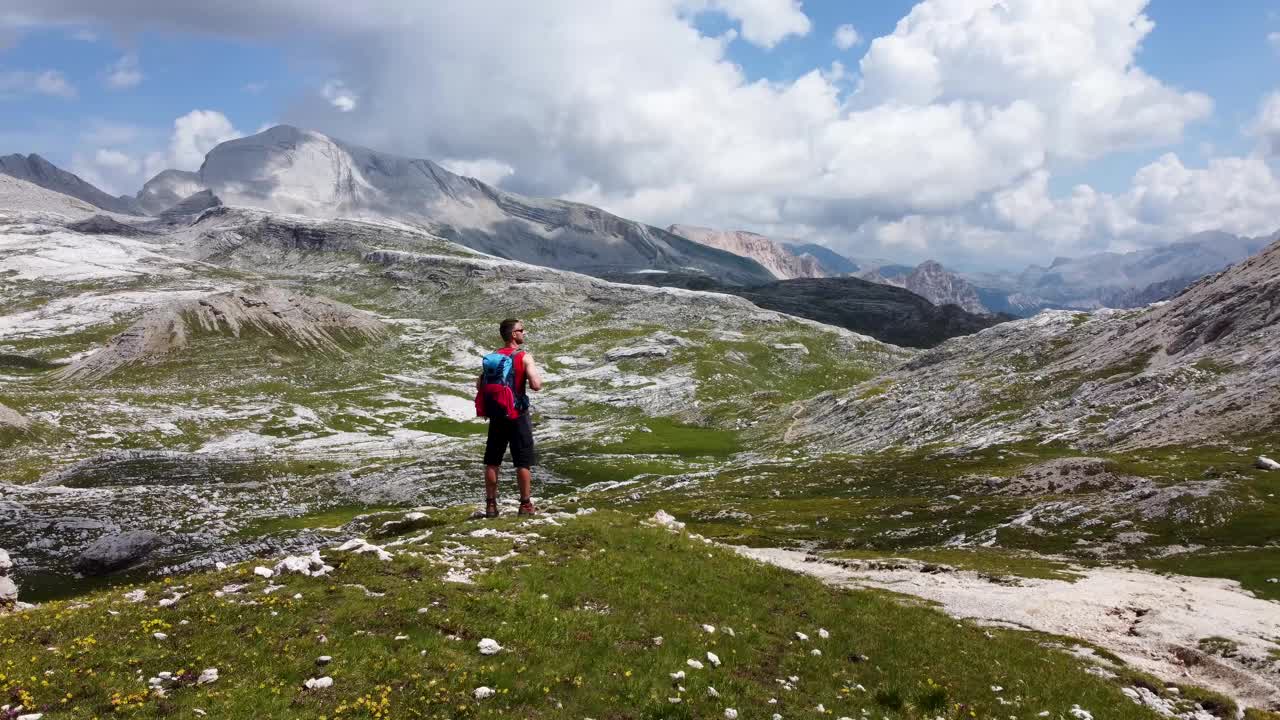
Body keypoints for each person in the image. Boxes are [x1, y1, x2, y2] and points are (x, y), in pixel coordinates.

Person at [477, 318, 543, 517]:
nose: (524, 333)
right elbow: (536, 385)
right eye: (521, 330)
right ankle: (525, 505)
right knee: (522, 461)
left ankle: (490, 506)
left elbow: (479, 385)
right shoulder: (523, 356)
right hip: (517, 415)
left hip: (497, 415)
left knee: (492, 461)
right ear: (513, 334)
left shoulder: (493, 357)